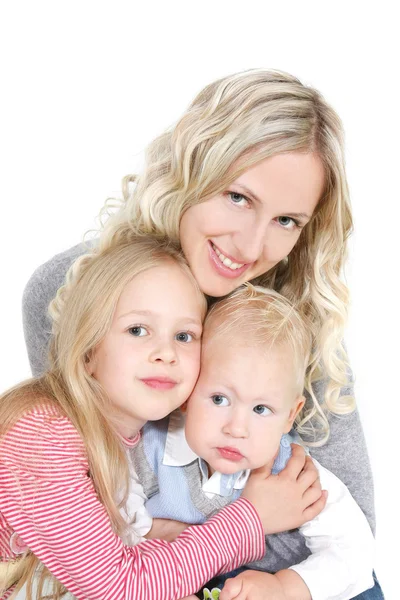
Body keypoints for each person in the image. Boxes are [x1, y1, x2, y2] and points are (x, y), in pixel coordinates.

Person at [22, 69, 382, 597]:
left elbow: (339, 528)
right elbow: (84, 505)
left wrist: (203, 543)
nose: (251, 245)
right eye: (238, 197)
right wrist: (245, 519)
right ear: (189, 169)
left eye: (287, 221)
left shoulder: (294, 324)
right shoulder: (70, 292)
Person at [0, 236, 324, 600]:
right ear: (89, 350)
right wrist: (253, 518)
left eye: (184, 336)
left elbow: (117, 566)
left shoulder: (130, 442)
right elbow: (119, 588)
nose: (166, 353)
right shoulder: (42, 433)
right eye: (138, 330)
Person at [137, 285, 375, 600]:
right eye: (219, 399)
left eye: (261, 409)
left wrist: (286, 588)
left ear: (290, 416)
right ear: (187, 393)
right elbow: (108, 533)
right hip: (169, 575)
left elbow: (354, 549)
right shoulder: (147, 448)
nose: (237, 428)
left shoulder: (290, 471)